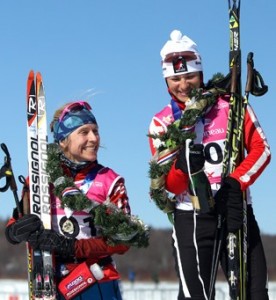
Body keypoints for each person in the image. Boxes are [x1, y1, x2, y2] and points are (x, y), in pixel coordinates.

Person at [148, 30, 271, 299]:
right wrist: (183, 167)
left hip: (234, 207)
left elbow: (261, 150)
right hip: (191, 216)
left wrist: (236, 182)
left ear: (201, 74)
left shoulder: (230, 106)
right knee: (196, 295)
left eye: (190, 76)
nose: (184, 85)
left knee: (253, 292)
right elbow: (168, 183)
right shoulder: (162, 123)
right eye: (175, 79)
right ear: (166, 81)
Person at [6, 100, 148, 299]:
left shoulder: (109, 180)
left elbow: (122, 241)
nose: (93, 138)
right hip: (49, 281)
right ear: (63, 140)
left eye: (95, 131)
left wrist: (72, 247)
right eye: (84, 132)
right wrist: (14, 231)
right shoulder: (39, 178)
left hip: (96, 279)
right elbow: (17, 222)